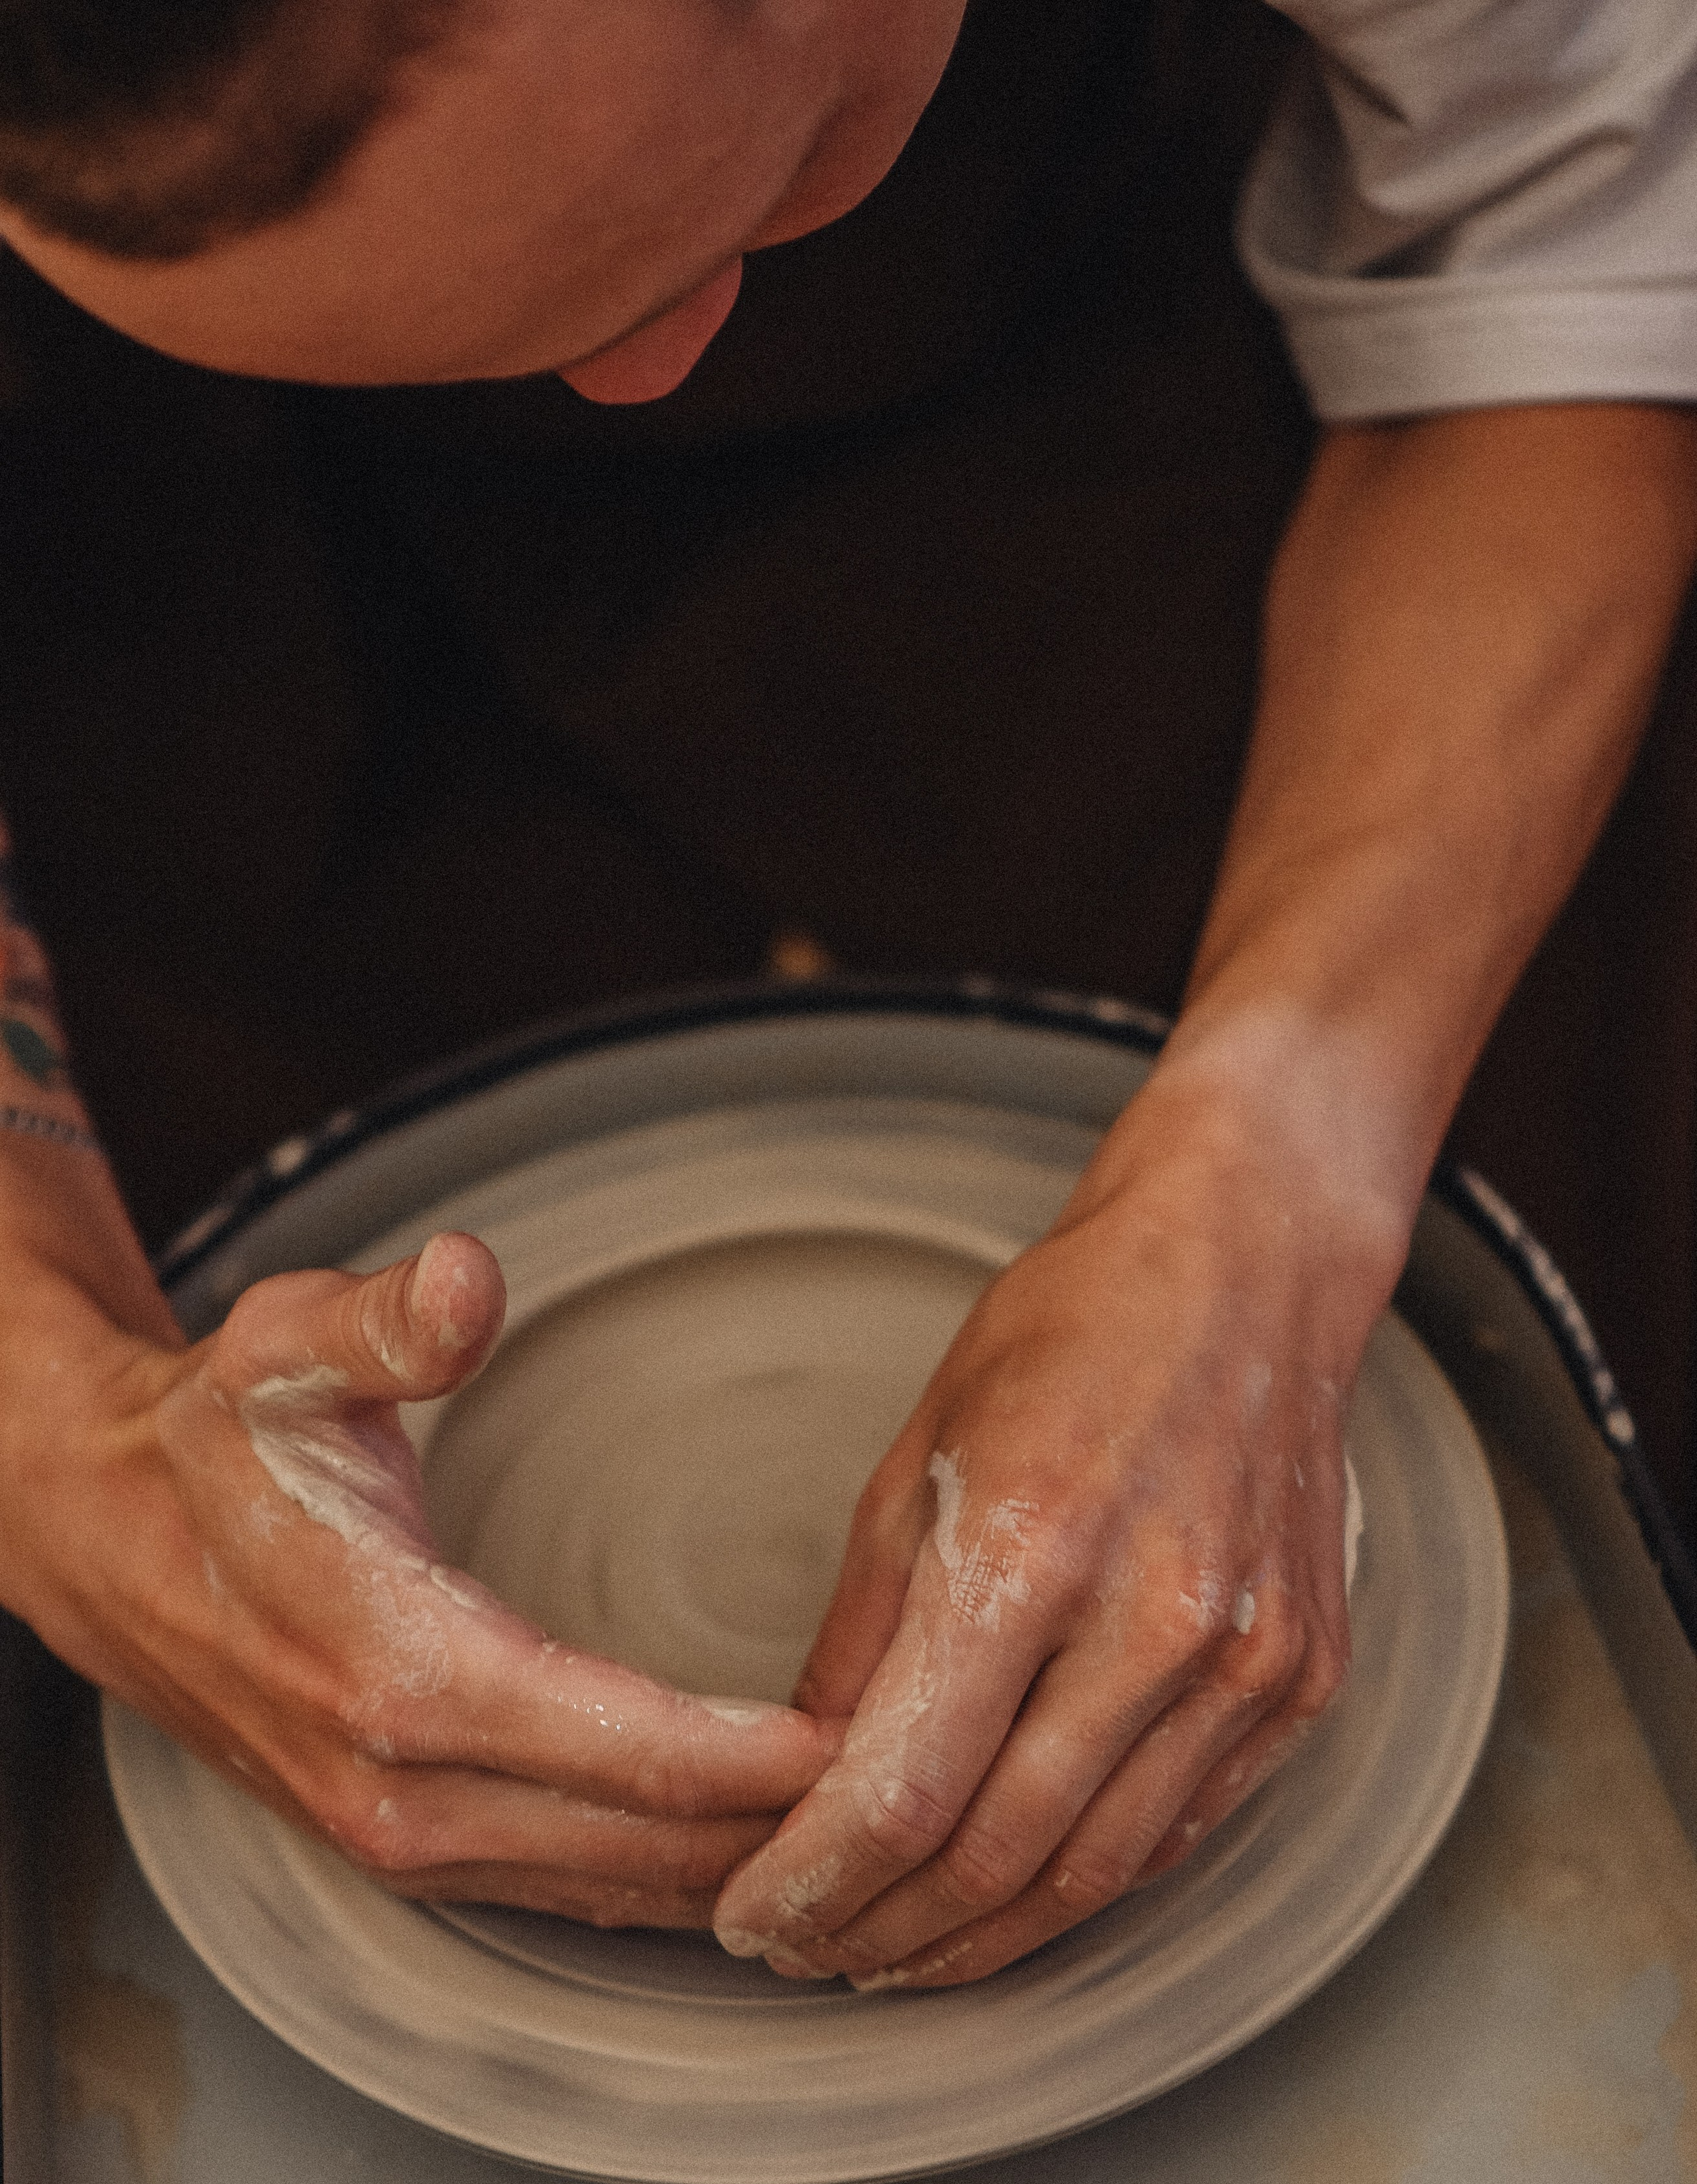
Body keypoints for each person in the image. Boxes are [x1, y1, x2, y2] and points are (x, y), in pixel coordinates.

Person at [0, 0, 1693, 1989]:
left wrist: (1275, 1173)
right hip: (121, 512)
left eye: (748, 191)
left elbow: (1555, 263)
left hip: (1029, 309)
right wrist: (44, 1415)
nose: (615, 385)